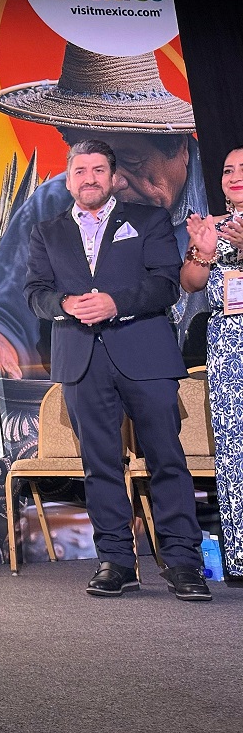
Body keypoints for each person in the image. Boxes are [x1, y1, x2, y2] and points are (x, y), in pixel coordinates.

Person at [25, 138, 209, 600]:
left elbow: (167, 285)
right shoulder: (46, 231)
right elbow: (35, 293)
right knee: (100, 465)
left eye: (98, 170)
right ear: (69, 179)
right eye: (80, 170)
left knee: (167, 459)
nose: (89, 179)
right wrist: (65, 304)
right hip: (81, 359)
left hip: (145, 354)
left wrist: (115, 303)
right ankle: (116, 562)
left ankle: (183, 562)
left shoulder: (148, 220)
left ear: (112, 177)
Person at [0, 44, 207, 379]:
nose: (110, 183)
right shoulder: (53, 204)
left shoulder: (226, 194)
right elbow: (3, 311)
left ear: (180, 146)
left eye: (131, 161)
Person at [181, 146, 243, 577]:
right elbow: (190, 283)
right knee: (234, 448)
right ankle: (239, 557)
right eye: (227, 170)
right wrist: (203, 250)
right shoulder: (212, 225)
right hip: (227, 344)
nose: (234, 176)